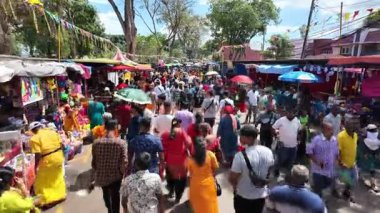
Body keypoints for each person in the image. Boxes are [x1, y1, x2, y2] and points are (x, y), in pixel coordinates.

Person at [229, 125, 274, 213]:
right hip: (261, 196)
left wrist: (235, 188)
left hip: (244, 197)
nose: (239, 138)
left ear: (249, 138)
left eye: (241, 136)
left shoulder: (239, 156)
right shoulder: (268, 151)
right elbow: (270, 170)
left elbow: (233, 178)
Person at [92, 119, 128, 213]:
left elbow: (94, 162)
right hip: (116, 176)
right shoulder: (121, 143)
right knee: (115, 197)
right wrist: (121, 173)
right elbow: (124, 161)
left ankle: (109, 209)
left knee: (106, 194)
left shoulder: (96, 143)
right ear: (115, 128)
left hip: (102, 176)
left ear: (105, 128)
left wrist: (98, 171)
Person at [29, 121, 66, 208]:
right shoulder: (52, 132)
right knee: (57, 177)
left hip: (47, 160)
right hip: (59, 157)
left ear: (33, 130)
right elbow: (62, 145)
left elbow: (37, 154)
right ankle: (60, 195)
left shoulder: (34, 138)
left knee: (42, 181)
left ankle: (48, 200)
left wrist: (35, 166)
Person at [161, 118, 192, 203]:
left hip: (170, 161)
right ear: (178, 124)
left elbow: (162, 148)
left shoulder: (165, 134)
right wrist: (185, 149)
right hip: (181, 161)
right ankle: (178, 197)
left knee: (170, 177)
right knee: (181, 179)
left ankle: (171, 191)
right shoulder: (182, 132)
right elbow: (188, 143)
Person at [306, 122, 339, 198]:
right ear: (323, 130)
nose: (331, 131)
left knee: (328, 184)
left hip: (329, 170)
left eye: (332, 129)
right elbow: (309, 152)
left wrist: (336, 161)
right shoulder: (316, 140)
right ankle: (318, 203)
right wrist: (317, 162)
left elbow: (336, 152)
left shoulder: (334, 140)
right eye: (329, 129)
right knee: (319, 189)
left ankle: (314, 192)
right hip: (318, 170)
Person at [188, 138, 219, 213]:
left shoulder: (191, 159)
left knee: (197, 207)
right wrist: (212, 176)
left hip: (195, 186)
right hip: (209, 186)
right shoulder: (210, 155)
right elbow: (215, 168)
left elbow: (190, 174)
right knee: (210, 207)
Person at [272, 109, 301, 177]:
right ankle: (276, 170)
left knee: (291, 161)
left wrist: (299, 138)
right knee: (280, 160)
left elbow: (299, 130)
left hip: (293, 145)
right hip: (283, 145)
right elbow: (273, 128)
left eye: (291, 113)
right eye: (288, 112)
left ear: (294, 113)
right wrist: (276, 136)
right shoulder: (281, 120)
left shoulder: (297, 121)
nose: (289, 114)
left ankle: (288, 175)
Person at [337, 119, 358, 202]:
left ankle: (346, 191)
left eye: (352, 126)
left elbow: (354, 147)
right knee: (346, 180)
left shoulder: (356, 135)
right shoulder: (341, 136)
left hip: (353, 162)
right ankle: (345, 193)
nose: (350, 127)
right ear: (345, 127)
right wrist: (340, 162)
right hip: (344, 164)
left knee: (355, 179)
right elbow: (337, 152)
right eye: (348, 126)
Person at [357, 124, 380, 192]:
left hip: (364, 157)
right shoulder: (378, 140)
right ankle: (372, 182)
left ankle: (361, 177)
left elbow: (359, 148)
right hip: (372, 157)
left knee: (361, 167)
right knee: (372, 170)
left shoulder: (363, 139)